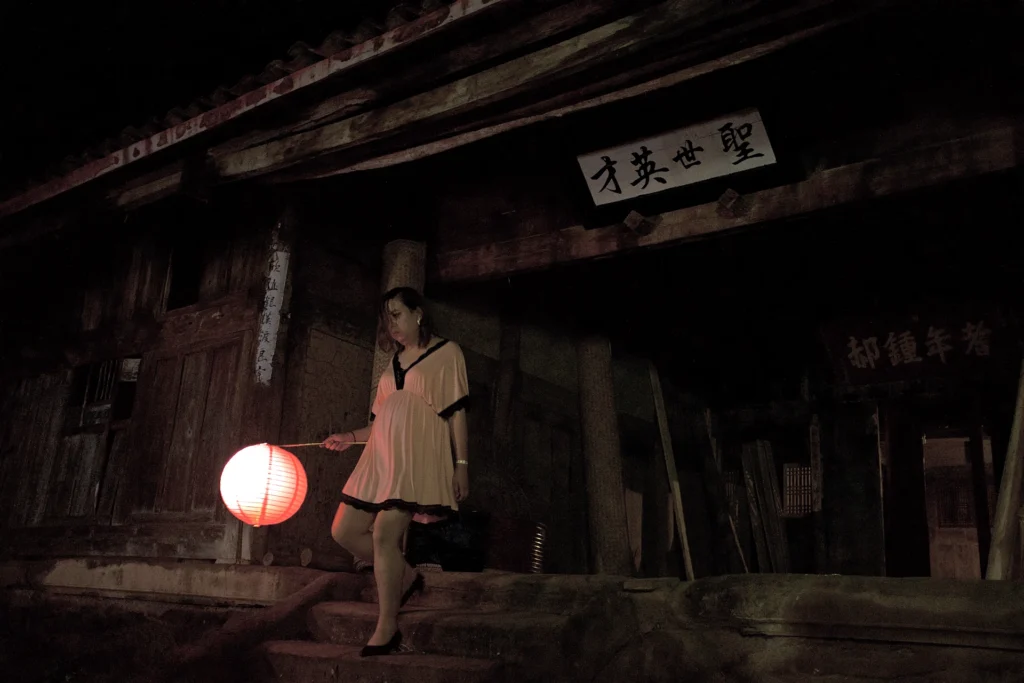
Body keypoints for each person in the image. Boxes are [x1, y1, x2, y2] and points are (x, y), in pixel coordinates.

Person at [322, 286, 470, 657]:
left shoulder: (447, 353)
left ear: (418, 313)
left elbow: (456, 414)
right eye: (388, 319)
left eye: (398, 315)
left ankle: (387, 627)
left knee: (385, 534)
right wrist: (347, 437)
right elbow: (380, 423)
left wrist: (462, 465)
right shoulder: (393, 365)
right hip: (384, 458)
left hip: (418, 457)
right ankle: (405, 575)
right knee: (343, 530)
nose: (393, 326)